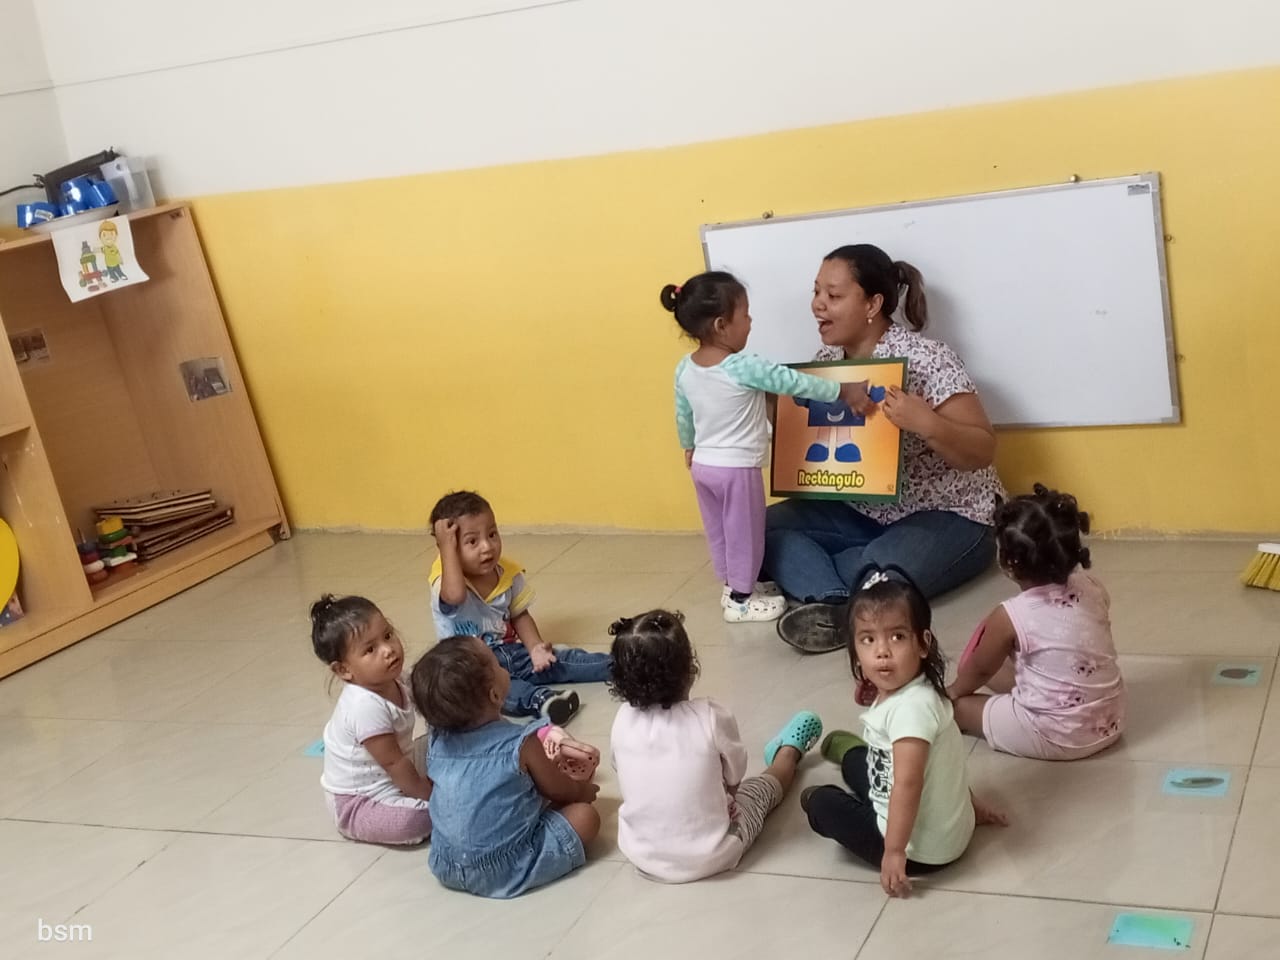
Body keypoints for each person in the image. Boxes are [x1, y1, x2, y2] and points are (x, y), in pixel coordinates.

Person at [764, 243, 1006, 652]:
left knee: (890, 568)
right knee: (758, 531)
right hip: (863, 508)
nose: (818, 305)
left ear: (873, 304)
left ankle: (853, 581)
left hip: (948, 513)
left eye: (833, 295)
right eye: (816, 292)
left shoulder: (928, 359)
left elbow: (982, 450)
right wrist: (778, 408)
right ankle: (837, 600)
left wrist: (928, 423)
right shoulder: (826, 359)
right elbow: (821, 443)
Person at [662, 272, 875, 623]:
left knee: (719, 531)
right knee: (745, 534)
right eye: (745, 315)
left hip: (703, 466)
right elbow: (794, 383)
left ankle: (731, 586)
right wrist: (843, 390)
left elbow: (682, 413)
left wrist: (688, 445)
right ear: (721, 325)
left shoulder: (685, 368)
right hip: (736, 470)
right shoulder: (744, 367)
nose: (750, 322)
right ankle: (742, 601)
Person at [804, 573, 1006, 897]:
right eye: (868, 640)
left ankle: (836, 785)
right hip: (948, 832)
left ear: (923, 643)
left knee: (821, 803)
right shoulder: (921, 691)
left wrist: (895, 851)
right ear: (855, 649)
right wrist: (971, 806)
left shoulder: (911, 712)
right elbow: (945, 767)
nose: (882, 651)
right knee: (860, 761)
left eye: (897, 637)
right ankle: (851, 753)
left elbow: (908, 784)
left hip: (920, 852)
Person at [608, 609, 822, 882]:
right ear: (689, 669)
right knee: (760, 789)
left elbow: (620, 767)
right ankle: (788, 753)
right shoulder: (709, 715)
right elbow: (735, 775)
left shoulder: (623, 718)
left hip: (642, 853)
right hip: (714, 852)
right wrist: (724, 795)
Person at [412, 636, 600, 898]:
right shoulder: (520, 743)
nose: (504, 668)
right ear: (495, 695)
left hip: (447, 865)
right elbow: (559, 790)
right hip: (506, 867)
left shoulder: (436, 742)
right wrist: (582, 791)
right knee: (586, 817)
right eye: (498, 664)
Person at [948, 484, 1124, 760]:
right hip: (1110, 722)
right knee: (1017, 659)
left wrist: (954, 691)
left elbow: (980, 669)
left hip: (1055, 736)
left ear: (1008, 564)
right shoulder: (1092, 585)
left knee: (957, 708)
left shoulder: (1009, 615)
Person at [429, 490, 611, 725]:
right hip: (470, 666)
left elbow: (520, 615)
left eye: (492, 534)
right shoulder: (444, 580)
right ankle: (543, 701)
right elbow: (455, 596)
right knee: (492, 690)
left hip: (511, 652)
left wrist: (535, 648)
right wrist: (446, 548)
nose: (487, 547)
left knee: (561, 660)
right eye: (472, 541)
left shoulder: (507, 573)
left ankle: (622, 665)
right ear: (448, 548)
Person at [311, 594, 433, 845]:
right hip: (361, 802)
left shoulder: (396, 679)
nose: (388, 650)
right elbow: (394, 763)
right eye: (370, 649)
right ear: (344, 669)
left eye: (387, 635)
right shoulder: (364, 706)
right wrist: (428, 794)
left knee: (443, 741)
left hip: (400, 769)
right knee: (418, 820)